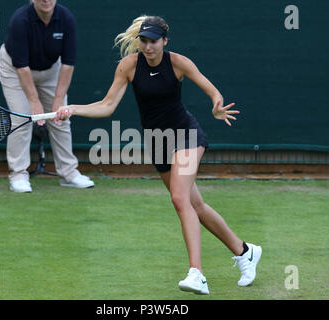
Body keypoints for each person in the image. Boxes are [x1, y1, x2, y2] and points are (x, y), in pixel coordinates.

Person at [56, 15, 262, 295]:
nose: (148, 46)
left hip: (187, 136)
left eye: (153, 41)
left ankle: (197, 273)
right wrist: (73, 109)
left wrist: (216, 106)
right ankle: (245, 251)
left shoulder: (178, 63)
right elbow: (107, 105)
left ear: (165, 41)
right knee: (195, 206)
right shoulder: (128, 66)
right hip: (158, 143)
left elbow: (211, 90)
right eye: (143, 40)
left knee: (179, 198)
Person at [0, 0, 94, 192]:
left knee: (61, 118)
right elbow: (21, 67)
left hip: (51, 70)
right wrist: (34, 101)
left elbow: (68, 64)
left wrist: (59, 99)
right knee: (21, 119)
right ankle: (18, 175)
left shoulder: (66, 18)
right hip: (16, 71)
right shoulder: (20, 20)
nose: (46, 0)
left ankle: (69, 173)